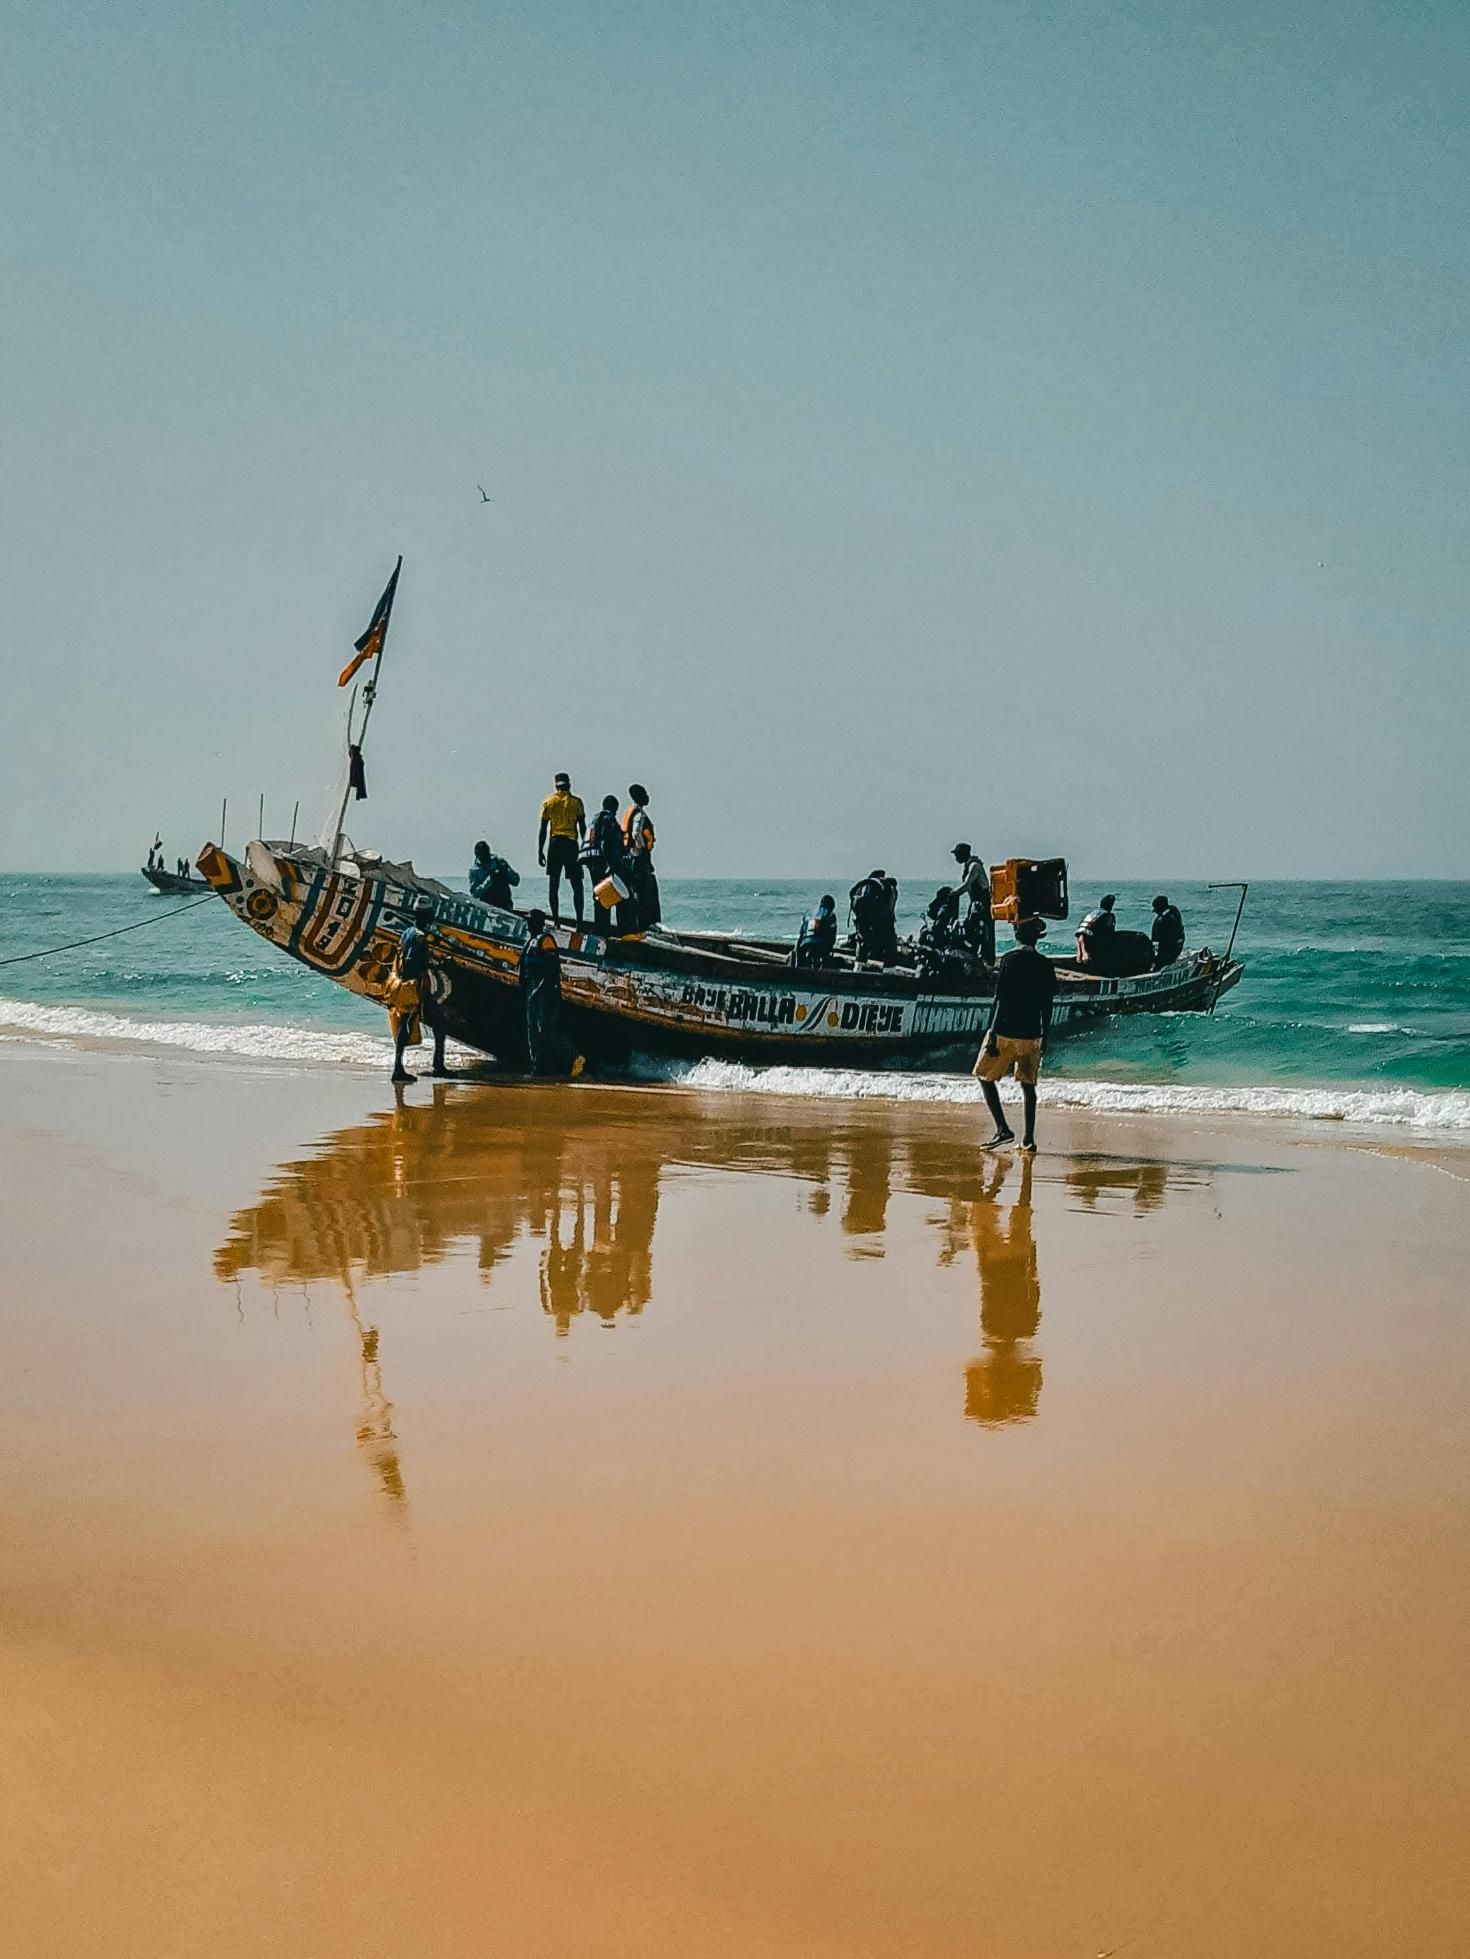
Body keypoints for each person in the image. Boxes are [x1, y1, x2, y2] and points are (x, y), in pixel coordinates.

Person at [973, 917, 1057, 1153]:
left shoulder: (1009, 960)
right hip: (1032, 1034)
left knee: (984, 1076)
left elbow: (999, 999)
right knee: (1028, 1086)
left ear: (1017, 936)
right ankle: (1028, 1139)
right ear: (1036, 939)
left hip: (1007, 1030)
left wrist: (992, 1034)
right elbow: (1047, 1004)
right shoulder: (1045, 964)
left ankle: (1003, 1129)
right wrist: (1046, 1035)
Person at [388, 896, 448, 1082]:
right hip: (417, 987)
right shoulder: (420, 937)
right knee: (439, 1024)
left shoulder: (407, 933)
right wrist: (435, 966)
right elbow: (412, 961)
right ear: (428, 915)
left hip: (405, 986)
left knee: (404, 1024)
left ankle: (398, 1067)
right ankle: (437, 1066)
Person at [520, 908, 584, 1077]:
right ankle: (538, 1067)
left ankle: (574, 1057)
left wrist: (540, 989)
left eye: (530, 920)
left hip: (545, 991)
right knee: (533, 1030)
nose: (527, 923)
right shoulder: (530, 942)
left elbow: (552, 969)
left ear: (539, 923)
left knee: (546, 1029)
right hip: (532, 990)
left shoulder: (546, 940)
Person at [537, 772, 586, 927]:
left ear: (556, 785)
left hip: (555, 843)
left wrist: (540, 850)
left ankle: (556, 921)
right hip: (571, 844)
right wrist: (585, 848)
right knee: (577, 885)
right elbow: (583, 827)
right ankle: (579, 922)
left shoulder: (548, 803)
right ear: (569, 785)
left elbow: (543, 829)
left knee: (554, 884)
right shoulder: (576, 803)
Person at [584, 794, 626, 934]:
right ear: (615, 808)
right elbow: (606, 843)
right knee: (606, 892)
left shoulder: (595, 818)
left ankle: (599, 926)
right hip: (601, 859)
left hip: (589, 858)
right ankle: (604, 928)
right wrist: (610, 864)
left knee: (597, 892)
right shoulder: (609, 820)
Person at [621, 784, 660, 932]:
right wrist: (641, 848)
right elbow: (636, 833)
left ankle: (639, 923)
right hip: (638, 857)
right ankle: (643, 925)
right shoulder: (640, 814)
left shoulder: (629, 812)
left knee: (636, 890)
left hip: (630, 856)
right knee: (642, 890)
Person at [952, 843, 995, 965]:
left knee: (986, 931)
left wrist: (953, 893)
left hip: (983, 903)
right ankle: (977, 956)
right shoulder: (968, 865)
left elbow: (967, 884)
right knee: (973, 930)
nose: (956, 857)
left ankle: (988, 959)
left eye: (957, 854)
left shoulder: (974, 866)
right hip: (975, 902)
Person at [849, 869, 898, 965]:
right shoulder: (889, 887)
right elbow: (889, 909)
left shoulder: (864, 885)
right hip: (876, 916)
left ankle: (859, 966)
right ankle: (889, 969)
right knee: (889, 940)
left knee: (862, 938)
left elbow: (851, 894)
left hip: (858, 914)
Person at [469, 838, 520, 910]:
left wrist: (507, 872)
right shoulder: (474, 871)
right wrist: (488, 881)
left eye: (486, 855)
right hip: (486, 907)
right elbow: (474, 893)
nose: (485, 859)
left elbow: (516, 881)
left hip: (505, 904)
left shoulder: (499, 862)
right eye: (482, 856)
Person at [793, 894, 838, 968]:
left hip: (804, 944)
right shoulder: (830, 915)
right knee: (825, 949)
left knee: (800, 950)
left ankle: (799, 967)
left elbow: (801, 932)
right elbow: (832, 934)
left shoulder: (808, 914)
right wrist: (830, 947)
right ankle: (824, 969)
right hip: (820, 944)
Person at [1076, 893, 1118, 965]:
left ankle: (1082, 954)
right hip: (1090, 940)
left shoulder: (1093, 913)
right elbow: (1109, 931)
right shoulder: (1107, 915)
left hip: (1079, 937)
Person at [1150, 894, 1185, 969]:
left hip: (1169, 949)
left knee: (1159, 963)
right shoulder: (1174, 912)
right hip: (1178, 945)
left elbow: (1155, 940)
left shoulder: (1162, 921)